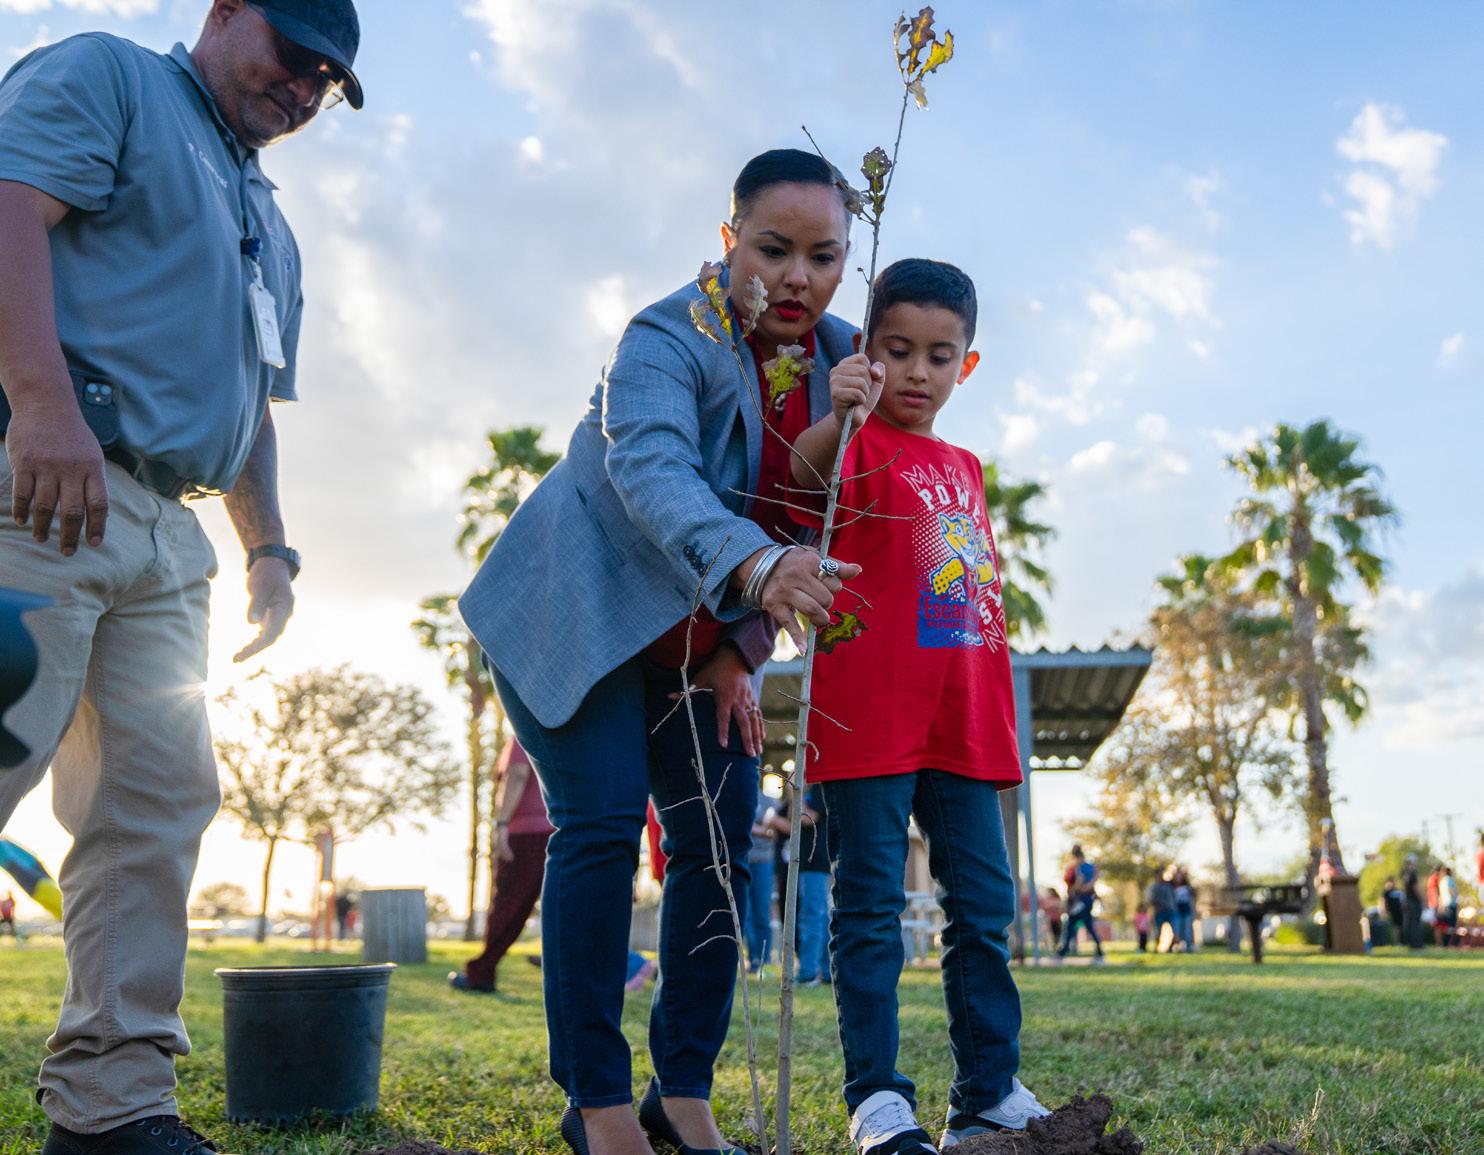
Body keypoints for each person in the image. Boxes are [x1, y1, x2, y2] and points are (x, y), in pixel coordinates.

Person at [0, 3, 361, 1151]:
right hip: (44, 480)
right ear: (224, 11)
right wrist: (39, 407)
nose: (305, 88)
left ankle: (109, 1109)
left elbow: (253, 402)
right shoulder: (111, 79)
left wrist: (270, 549)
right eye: (294, 55)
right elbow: (6, 207)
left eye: (328, 81)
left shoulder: (269, 221)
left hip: (170, 532)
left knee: (151, 814)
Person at [458, 148, 863, 1155]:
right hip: (580, 614)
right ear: (729, 242)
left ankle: (680, 1092)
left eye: (822, 257)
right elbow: (652, 469)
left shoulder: (843, 361)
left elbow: (822, 511)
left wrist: (742, 648)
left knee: (719, 839)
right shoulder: (666, 335)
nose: (797, 278)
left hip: (704, 645)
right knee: (598, 826)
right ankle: (596, 1103)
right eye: (772, 249)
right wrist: (758, 570)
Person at [787, 259, 1049, 1153]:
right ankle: (876, 1099)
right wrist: (839, 414)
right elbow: (800, 476)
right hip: (868, 717)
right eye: (897, 350)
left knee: (983, 904)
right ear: (867, 349)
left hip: (962, 721)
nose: (917, 372)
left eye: (940, 356)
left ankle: (987, 1090)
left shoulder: (964, 466)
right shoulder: (852, 442)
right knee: (868, 908)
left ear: (965, 365)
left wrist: (990, 714)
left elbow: (960, 602)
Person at [449, 739, 554, 994]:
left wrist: (502, 825)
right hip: (557, 827)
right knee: (560, 908)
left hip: (526, 833)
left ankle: (480, 973)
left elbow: (517, 775)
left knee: (508, 905)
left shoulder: (524, 729)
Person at [771, 783, 832, 985]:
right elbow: (791, 817)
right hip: (805, 863)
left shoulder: (819, 790)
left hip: (816, 861)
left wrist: (795, 795)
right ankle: (824, 971)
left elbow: (805, 819)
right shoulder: (806, 793)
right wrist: (794, 796)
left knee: (812, 916)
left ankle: (808, 972)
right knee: (816, 916)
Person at [744, 792, 777, 974]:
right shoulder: (740, 794)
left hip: (764, 861)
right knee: (746, 913)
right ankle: (753, 959)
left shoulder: (768, 799)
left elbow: (776, 829)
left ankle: (765, 960)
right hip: (743, 860)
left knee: (762, 912)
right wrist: (763, 831)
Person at [1057, 847, 1104, 962]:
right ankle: (1064, 949)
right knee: (1078, 924)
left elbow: (1080, 881)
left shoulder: (1079, 867)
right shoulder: (1090, 867)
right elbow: (1096, 877)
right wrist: (1090, 886)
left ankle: (1064, 950)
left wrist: (1074, 891)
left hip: (1081, 899)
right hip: (1087, 899)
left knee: (1079, 924)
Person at [1146, 871, 1176, 953]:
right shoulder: (1153, 887)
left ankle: (1171, 947)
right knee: (1158, 931)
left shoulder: (1169, 886)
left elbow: (1173, 897)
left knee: (1175, 930)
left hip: (1170, 911)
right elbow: (1150, 899)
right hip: (1159, 911)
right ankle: (1157, 947)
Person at [1401, 855, 1424, 949]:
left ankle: (1411, 943)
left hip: (1408, 901)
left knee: (1410, 923)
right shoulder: (1412, 873)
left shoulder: (1405, 874)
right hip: (1414, 902)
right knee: (1415, 923)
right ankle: (1416, 944)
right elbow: (1415, 888)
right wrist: (1422, 899)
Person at [1172, 866, 1196, 953]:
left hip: (1187, 910)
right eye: (1177, 877)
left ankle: (1189, 947)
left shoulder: (1188, 887)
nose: (1178, 878)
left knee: (1187, 930)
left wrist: (1194, 911)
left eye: (1180, 877)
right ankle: (1178, 946)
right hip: (1176, 911)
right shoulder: (1172, 887)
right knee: (1178, 929)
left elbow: (1193, 899)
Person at [1436, 866, 1459, 948]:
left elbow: (1440, 895)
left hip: (1444, 906)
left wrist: (1440, 906)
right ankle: (1451, 944)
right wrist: (1456, 898)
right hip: (1451, 904)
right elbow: (1452, 891)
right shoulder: (1450, 880)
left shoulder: (1441, 881)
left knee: (1445, 926)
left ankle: (1445, 943)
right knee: (1451, 925)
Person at [1381, 878, 1405, 943]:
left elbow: (1402, 902)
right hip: (1391, 912)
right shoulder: (1386, 892)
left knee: (1399, 927)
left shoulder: (1398, 891)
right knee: (1394, 928)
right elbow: (1383, 902)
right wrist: (1384, 911)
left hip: (1399, 912)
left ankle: (1400, 941)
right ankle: (1395, 942)